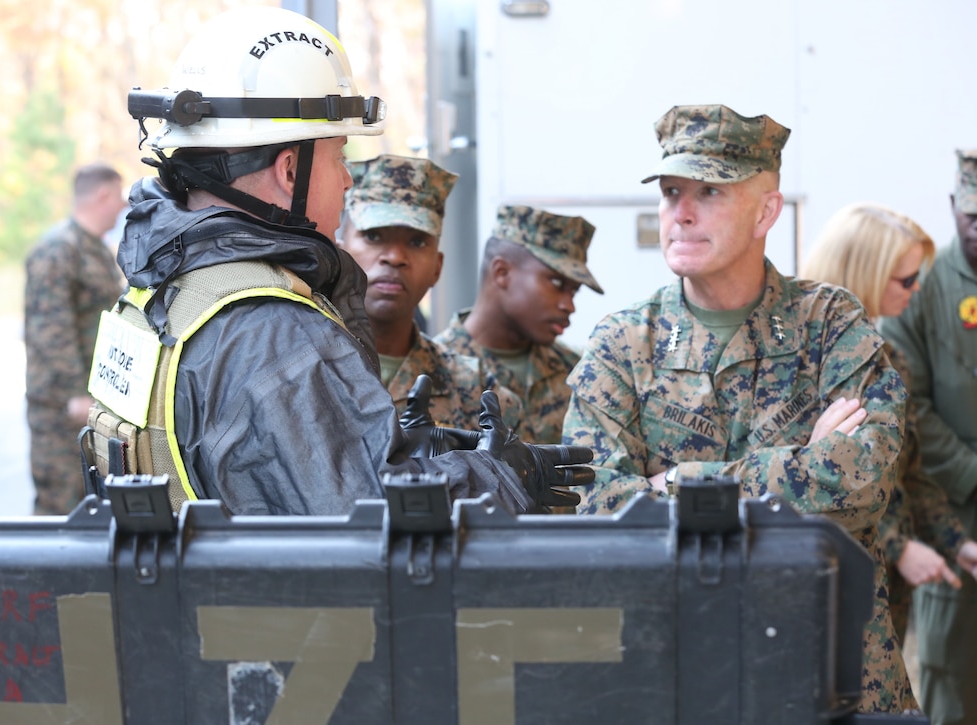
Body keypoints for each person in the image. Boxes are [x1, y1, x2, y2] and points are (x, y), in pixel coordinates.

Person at [83, 6, 590, 518]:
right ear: (289, 169)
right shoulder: (274, 331)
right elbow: (373, 523)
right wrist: (497, 474)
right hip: (264, 599)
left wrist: (380, 444)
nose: (347, 180)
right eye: (339, 155)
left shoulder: (163, 286)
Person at [562, 104, 912, 712]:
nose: (682, 212)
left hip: (829, 672)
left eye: (709, 191)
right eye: (671, 192)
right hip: (675, 670)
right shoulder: (623, 343)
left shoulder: (829, 324)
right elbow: (597, 512)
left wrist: (672, 483)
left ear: (766, 211)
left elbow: (857, 486)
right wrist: (799, 462)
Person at [803, 202, 977, 649]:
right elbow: (818, 483)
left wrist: (956, 543)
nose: (918, 290)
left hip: (878, 591)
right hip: (821, 585)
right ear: (866, 272)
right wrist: (901, 548)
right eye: (906, 279)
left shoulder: (889, 359)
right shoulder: (805, 362)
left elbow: (907, 474)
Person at [881, 150, 977, 724]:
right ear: (953, 209)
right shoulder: (925, 287)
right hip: (950, 506)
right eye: (975, 217)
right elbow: (908, 406)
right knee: (946, 664)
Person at [337, 153, 522, 431]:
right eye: (374, 236)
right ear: (340, 251)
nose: (395, 257)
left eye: (417, 241)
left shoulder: (477, 394)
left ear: (438, 267)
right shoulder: (302, 370)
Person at [435, 205, 604, 444]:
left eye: (573, 292)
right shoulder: (432, 369)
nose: (569, 305)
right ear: (502, 273)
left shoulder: (578, 372)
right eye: (556, 283)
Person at [24, 162, 126, 515]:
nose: (123, 205)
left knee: (91, 508)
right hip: (63, 408)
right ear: (103, 196)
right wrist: (73, 395)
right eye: (119, 197)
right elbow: (49, 330)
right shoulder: (59, 250)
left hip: (89, 405)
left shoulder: (93, 248)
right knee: (60, 510)